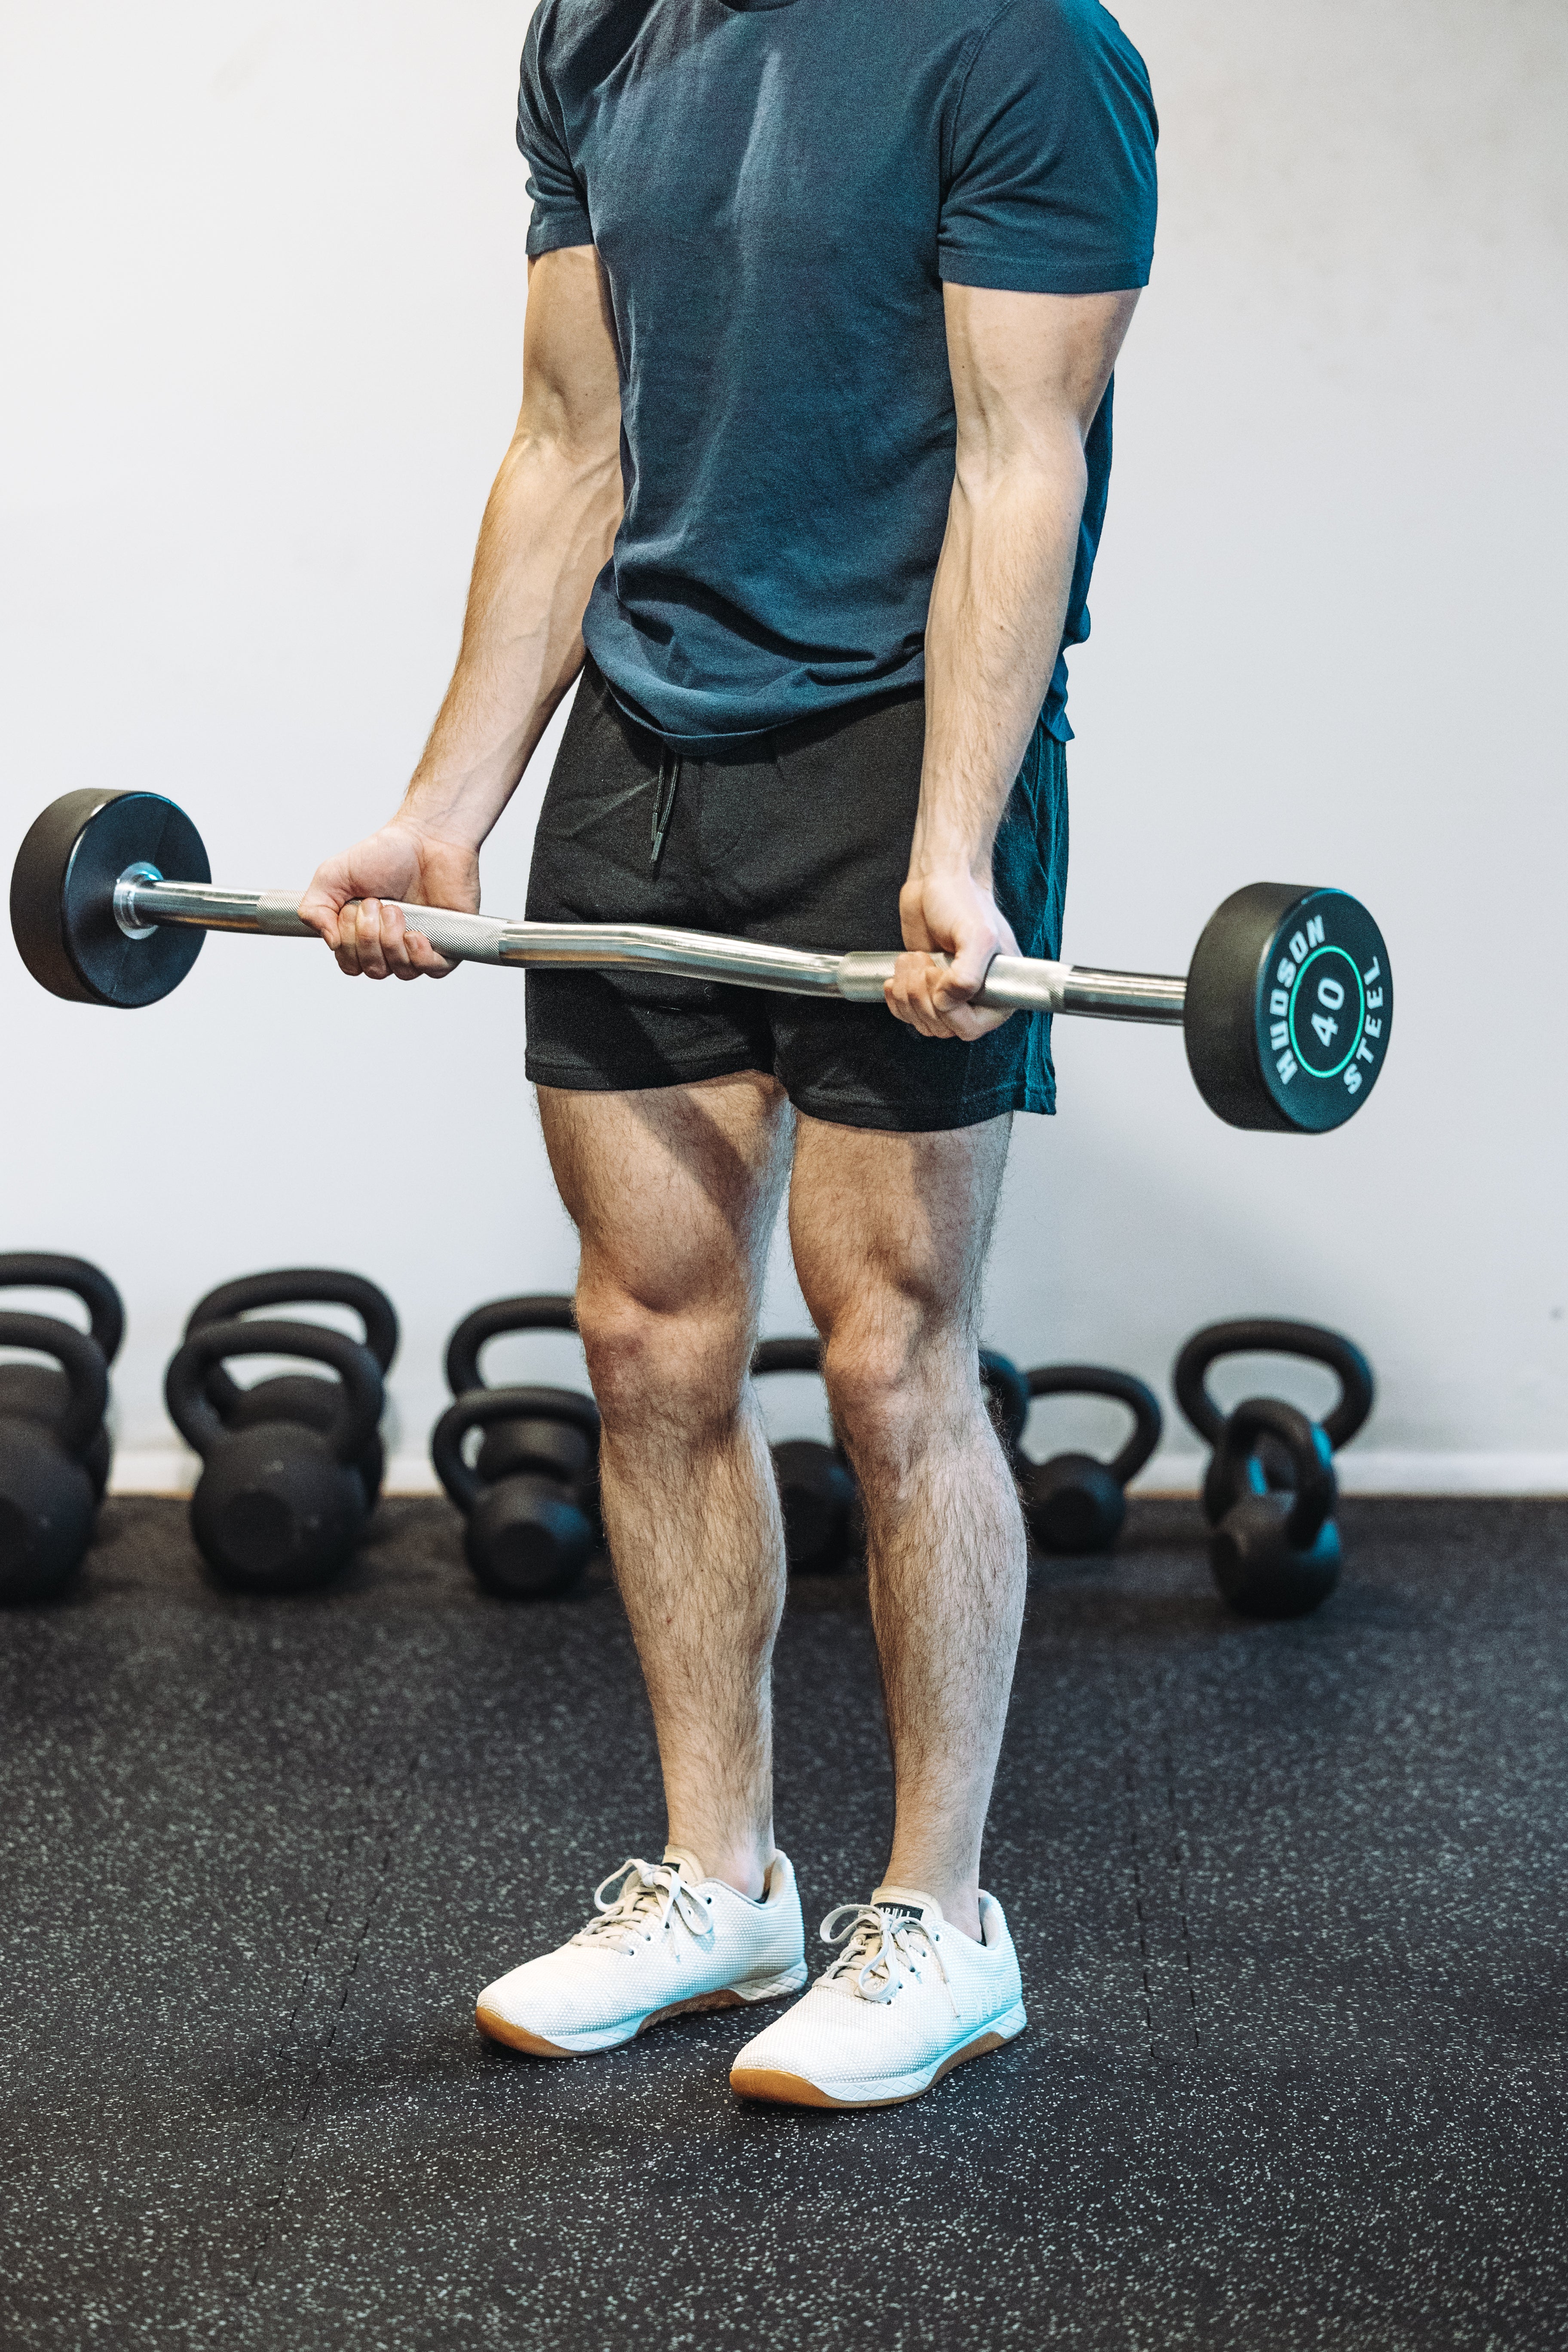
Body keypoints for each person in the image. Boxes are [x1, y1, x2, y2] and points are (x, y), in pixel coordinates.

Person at [300, 0, 1156, 2110]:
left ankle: (945, 1922)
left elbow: (1015, 454)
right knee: (651, 1343)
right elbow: (571, 441)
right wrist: (446, 811)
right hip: (648, 742)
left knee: (891, 1357)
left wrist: (958, 840)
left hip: (900, 736)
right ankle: (724, 1881)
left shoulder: (1024, 47)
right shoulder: (596, 31)